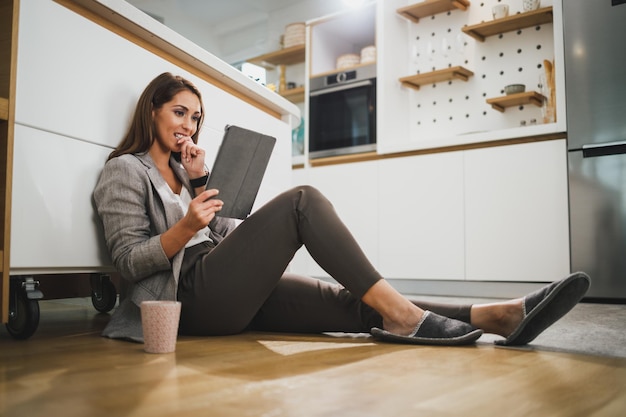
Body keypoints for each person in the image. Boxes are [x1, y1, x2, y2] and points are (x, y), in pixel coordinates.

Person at [93, 72, 590, 347]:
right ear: (152, 111)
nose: (189, 125)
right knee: (302, 202)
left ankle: (498, 316)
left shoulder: (186, 173)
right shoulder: (125, 171)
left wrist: (202, 181)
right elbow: (129, 263)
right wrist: (184, 226)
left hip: (223, 287)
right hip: (185, 300)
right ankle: (406, 317)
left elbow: (223, 237)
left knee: (353, 301)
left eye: (197, 117)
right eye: (179, 111)